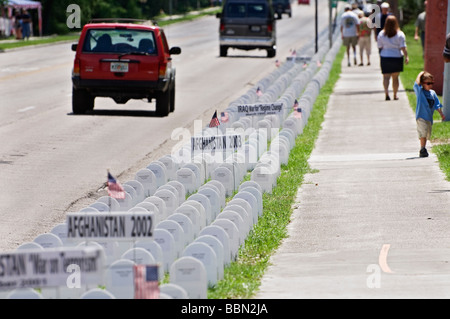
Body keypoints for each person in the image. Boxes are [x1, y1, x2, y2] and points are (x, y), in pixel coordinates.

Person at [414, 71, 446, 157]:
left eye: (432, 83)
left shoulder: (433, 93)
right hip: (421, 117)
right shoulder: (420, 92)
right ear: (423, 83)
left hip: (429, 118)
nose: (430, 85)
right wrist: (421, 73)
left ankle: (423, 147)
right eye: (428, 83)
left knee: (427, 134)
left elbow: (437, 104)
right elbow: (416, 83)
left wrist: (441, 113)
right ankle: (422, 149)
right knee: (423, 133)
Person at [377, 15, 409, 101]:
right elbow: (403, 47)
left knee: (386, 77)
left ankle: (386, 93)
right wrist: (406, 56)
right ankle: (395, 94)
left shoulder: (381, 34)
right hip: (396, 57)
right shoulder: (400, 34)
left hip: (385, 56)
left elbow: (379, 46)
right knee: (395, 78)